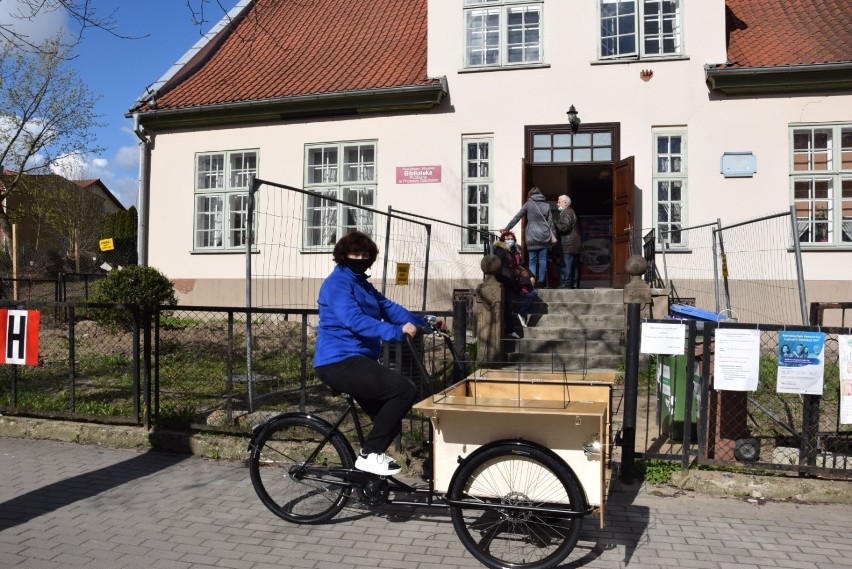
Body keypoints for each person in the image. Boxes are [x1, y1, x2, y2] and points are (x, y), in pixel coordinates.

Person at [313, 230, 429, 476]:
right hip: (338, 360)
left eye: (366, 254)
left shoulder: (362, 284)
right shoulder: (337, 284)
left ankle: (368, 478)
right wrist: (397, 332)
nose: (361, 257)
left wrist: (425, 323)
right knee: (404, 390)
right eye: (356, 253)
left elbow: (390, 308)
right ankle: (369, 456)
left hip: (358, 359)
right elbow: (354, 320)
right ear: (343, 256)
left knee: (390, 423)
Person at [502, 187, 553, 285]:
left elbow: (517, 217)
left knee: (532, 260)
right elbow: (550, 223)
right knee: (543, 260)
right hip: (544, 235)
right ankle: (541, 281)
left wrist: (507, 228)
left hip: (532, 236)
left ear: (530, 195)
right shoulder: (546, 206)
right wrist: (553, 237)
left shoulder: (528, 204)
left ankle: (532, 281)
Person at [493, 230, 538, 337]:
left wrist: (531, 275)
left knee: (533, 293)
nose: (509, 241)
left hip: (516, 283)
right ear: (502, 240)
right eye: (507, 239)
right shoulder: (500, 251)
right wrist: (507, 276)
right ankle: (511, 330)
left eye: (511, 239)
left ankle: (522, 314)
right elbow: (498, 267)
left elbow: (521, 265)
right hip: (507, 283)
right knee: (508, 308)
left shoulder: (513, 251)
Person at [555, 194, 581, 289]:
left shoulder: (567, 212)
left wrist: (555, 224)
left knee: (567, 264)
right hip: (573, 244)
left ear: (565, 203)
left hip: (568, 244)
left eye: (559, 202)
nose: (557, 204)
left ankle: (566, 284)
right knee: (573, 265)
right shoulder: (570, 211)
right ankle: (574, 284)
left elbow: (565, 228)